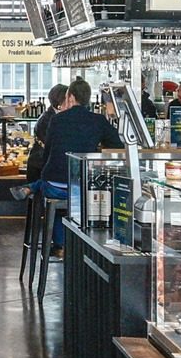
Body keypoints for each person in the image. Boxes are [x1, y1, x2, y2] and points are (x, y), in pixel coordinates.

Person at [37, 76, 122, 250]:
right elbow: (118, 146)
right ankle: (81, 245)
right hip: (83, 188)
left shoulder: (57, 119)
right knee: (81, 193)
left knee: (50, 188)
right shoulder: (98, 120)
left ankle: (60, 244)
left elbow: (48, 153)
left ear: (72, 97)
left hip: (54, 184)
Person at [27, 83, 71, 182]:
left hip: (42, 163)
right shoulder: (48, 119)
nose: (70, 103)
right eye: (68, 99)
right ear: (60, 103)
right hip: (39, 165)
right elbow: (54, 144)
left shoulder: (53, 116)